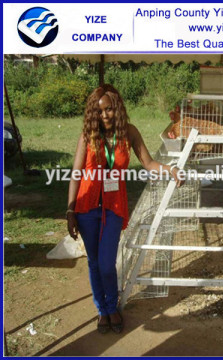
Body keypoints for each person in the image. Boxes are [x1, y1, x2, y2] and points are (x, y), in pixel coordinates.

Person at [66, 84, 183, 334]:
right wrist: (70, 210)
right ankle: (103, 311)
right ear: (93, 114)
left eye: (108, 109)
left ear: (116, 108)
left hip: (114, 207)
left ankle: (112, 303)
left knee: (107, 263)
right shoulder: (88, 135)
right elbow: (76, 173)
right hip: (86, 209)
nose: (104, 115)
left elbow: (149, 163)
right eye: (99, 111)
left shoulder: (129, 132)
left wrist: (170, 170)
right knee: (95, 263)